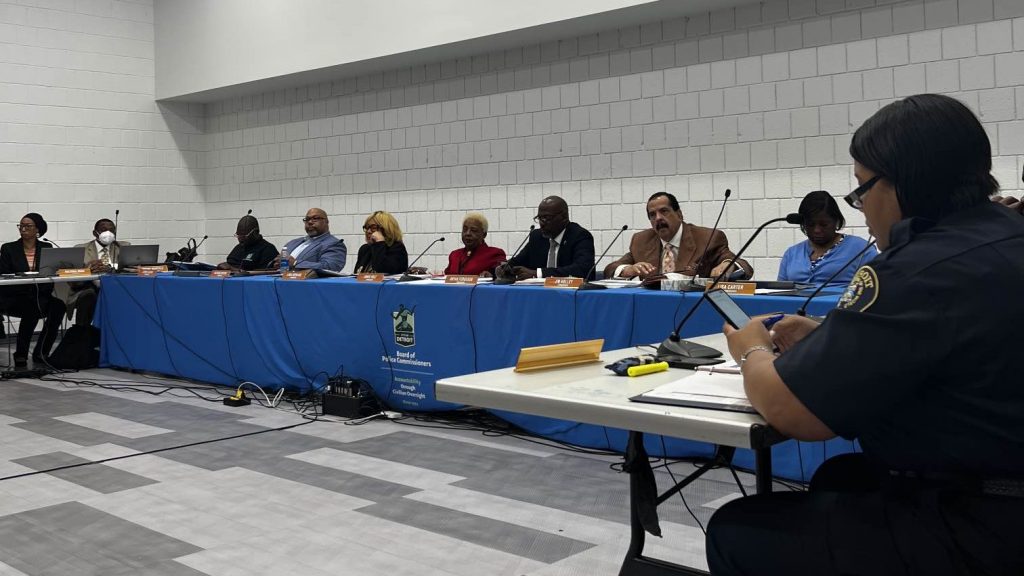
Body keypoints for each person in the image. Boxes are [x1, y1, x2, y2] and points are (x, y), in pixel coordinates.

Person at [707, 94, 1024, 575]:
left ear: (902, 183)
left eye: (861, 191)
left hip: (981, 522)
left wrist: (750, 349)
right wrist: (827, 334)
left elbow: (796, 413)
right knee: (840, 476)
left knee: (737, 530)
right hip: (998, 478)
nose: (861, 208)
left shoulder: (916, 268)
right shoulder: (1002, 234)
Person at [604, 192, 752, 280]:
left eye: (664, 211)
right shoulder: (641, 241)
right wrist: (627, 270)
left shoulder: (708, 238)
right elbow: (610, 269)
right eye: (652, 215)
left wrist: (728, 265)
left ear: (679, 214)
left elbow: (744, 266)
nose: (658, 218)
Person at [0, 213, 67, 365]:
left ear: (38, 229)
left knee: (58, 307)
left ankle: (41, 352)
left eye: (28, 226)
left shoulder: (46, 247)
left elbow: (50, 272)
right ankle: (21, 354)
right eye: (21, 226)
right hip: (14, 296)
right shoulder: (9, 248)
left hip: (40, 295)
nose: (23, 229)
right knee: (32, 307)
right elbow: (4, 273)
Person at [776, 190, 877, 285]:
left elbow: (874, 287)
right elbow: (779, 291)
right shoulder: (791, 254)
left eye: (824, 225)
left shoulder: (862, 249)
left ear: (836, 221)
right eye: (810, 224)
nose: (817, 230)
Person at [501, 196, 595, 280]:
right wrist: (504, 268)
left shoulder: (579, 236)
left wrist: (538, 274)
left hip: (568, 291)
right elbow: (518, 262)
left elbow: (582, 269)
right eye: (540, 218)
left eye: (547, 218)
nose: (542, 223)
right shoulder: (537, 237)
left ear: (564, 217)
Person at [54, 218, 127, 327]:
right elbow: (73, 279)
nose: (108, 233)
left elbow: (128, 268)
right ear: (95, 233)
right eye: (103, 230)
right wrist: (88, 270)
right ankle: (82, 331)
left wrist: (111, 268)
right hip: (87, 287)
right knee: (89, 296)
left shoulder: (122, 247)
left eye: (111, 230)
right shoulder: (80, 249)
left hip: (115, 286)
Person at [273, 208, 346, 271]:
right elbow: (281, 265)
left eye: (315, 218)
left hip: (307, 282)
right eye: (307, 219)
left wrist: (295, 263)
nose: (310, 222)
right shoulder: (292, 243)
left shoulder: (334, 244)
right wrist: (277, 264)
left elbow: (330, 267)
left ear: (326, 221)